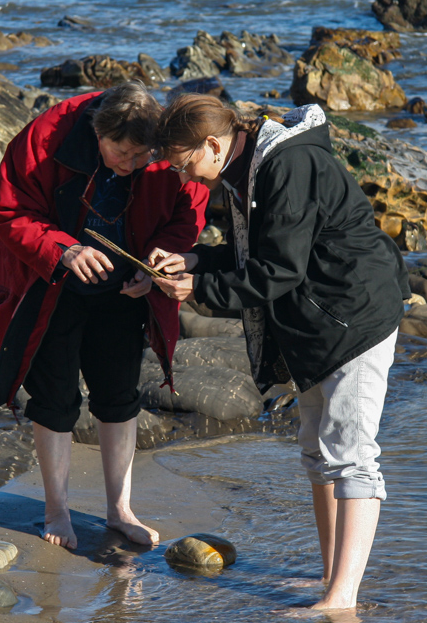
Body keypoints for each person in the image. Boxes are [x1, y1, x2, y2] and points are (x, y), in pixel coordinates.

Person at [148, 94, 411, 610]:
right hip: (315, 320)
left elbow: (279, 270)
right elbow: (260, 252)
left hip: (353, 315)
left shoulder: (287, 163)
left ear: (212, 143)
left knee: (352, 458)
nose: (185, 179)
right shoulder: (244, 165)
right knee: (318, 452)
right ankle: (328, 579)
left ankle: (342, 597)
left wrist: (197, 290)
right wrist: (194, 257)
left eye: (184, 165)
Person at [0, 82, 208, 550]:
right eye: (121, 154)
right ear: (97, 132)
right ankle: (57, 510)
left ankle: (120, 509)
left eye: (141, 157)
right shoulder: (45, 137)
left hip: (124, 289)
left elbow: (189, 214)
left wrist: (156, 265)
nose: (131, 166)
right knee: (55, 398)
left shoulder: (164, 150)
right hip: (50, 285)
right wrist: (63, 250)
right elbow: (7, 209)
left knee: (120, 396)